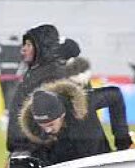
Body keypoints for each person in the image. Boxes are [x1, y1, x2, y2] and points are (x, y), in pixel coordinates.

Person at [5, 24, 81, 154]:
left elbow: (53, 122)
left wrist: (32, 148)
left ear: (41, 48)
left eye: (28, 45)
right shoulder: (35, 73)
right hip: (23, 146)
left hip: (34, 151)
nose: (23, 49)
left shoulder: (52, 76)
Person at [18, 80, 112, 166]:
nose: (47, 130)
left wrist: (121, 140)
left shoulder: (84, 116)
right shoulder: (34, 131)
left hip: (96, 165)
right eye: (43, 126)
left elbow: (115, 95)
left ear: (62, 115)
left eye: (51, 124)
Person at [0, 35, 23, 113]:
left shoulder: (1, 45)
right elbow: (25, 60)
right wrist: (20, 72)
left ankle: (6, 111)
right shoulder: (21, 47)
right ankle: (10, 112)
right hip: (15, 75)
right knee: (12, 94)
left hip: (3, 75)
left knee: (4, 93)